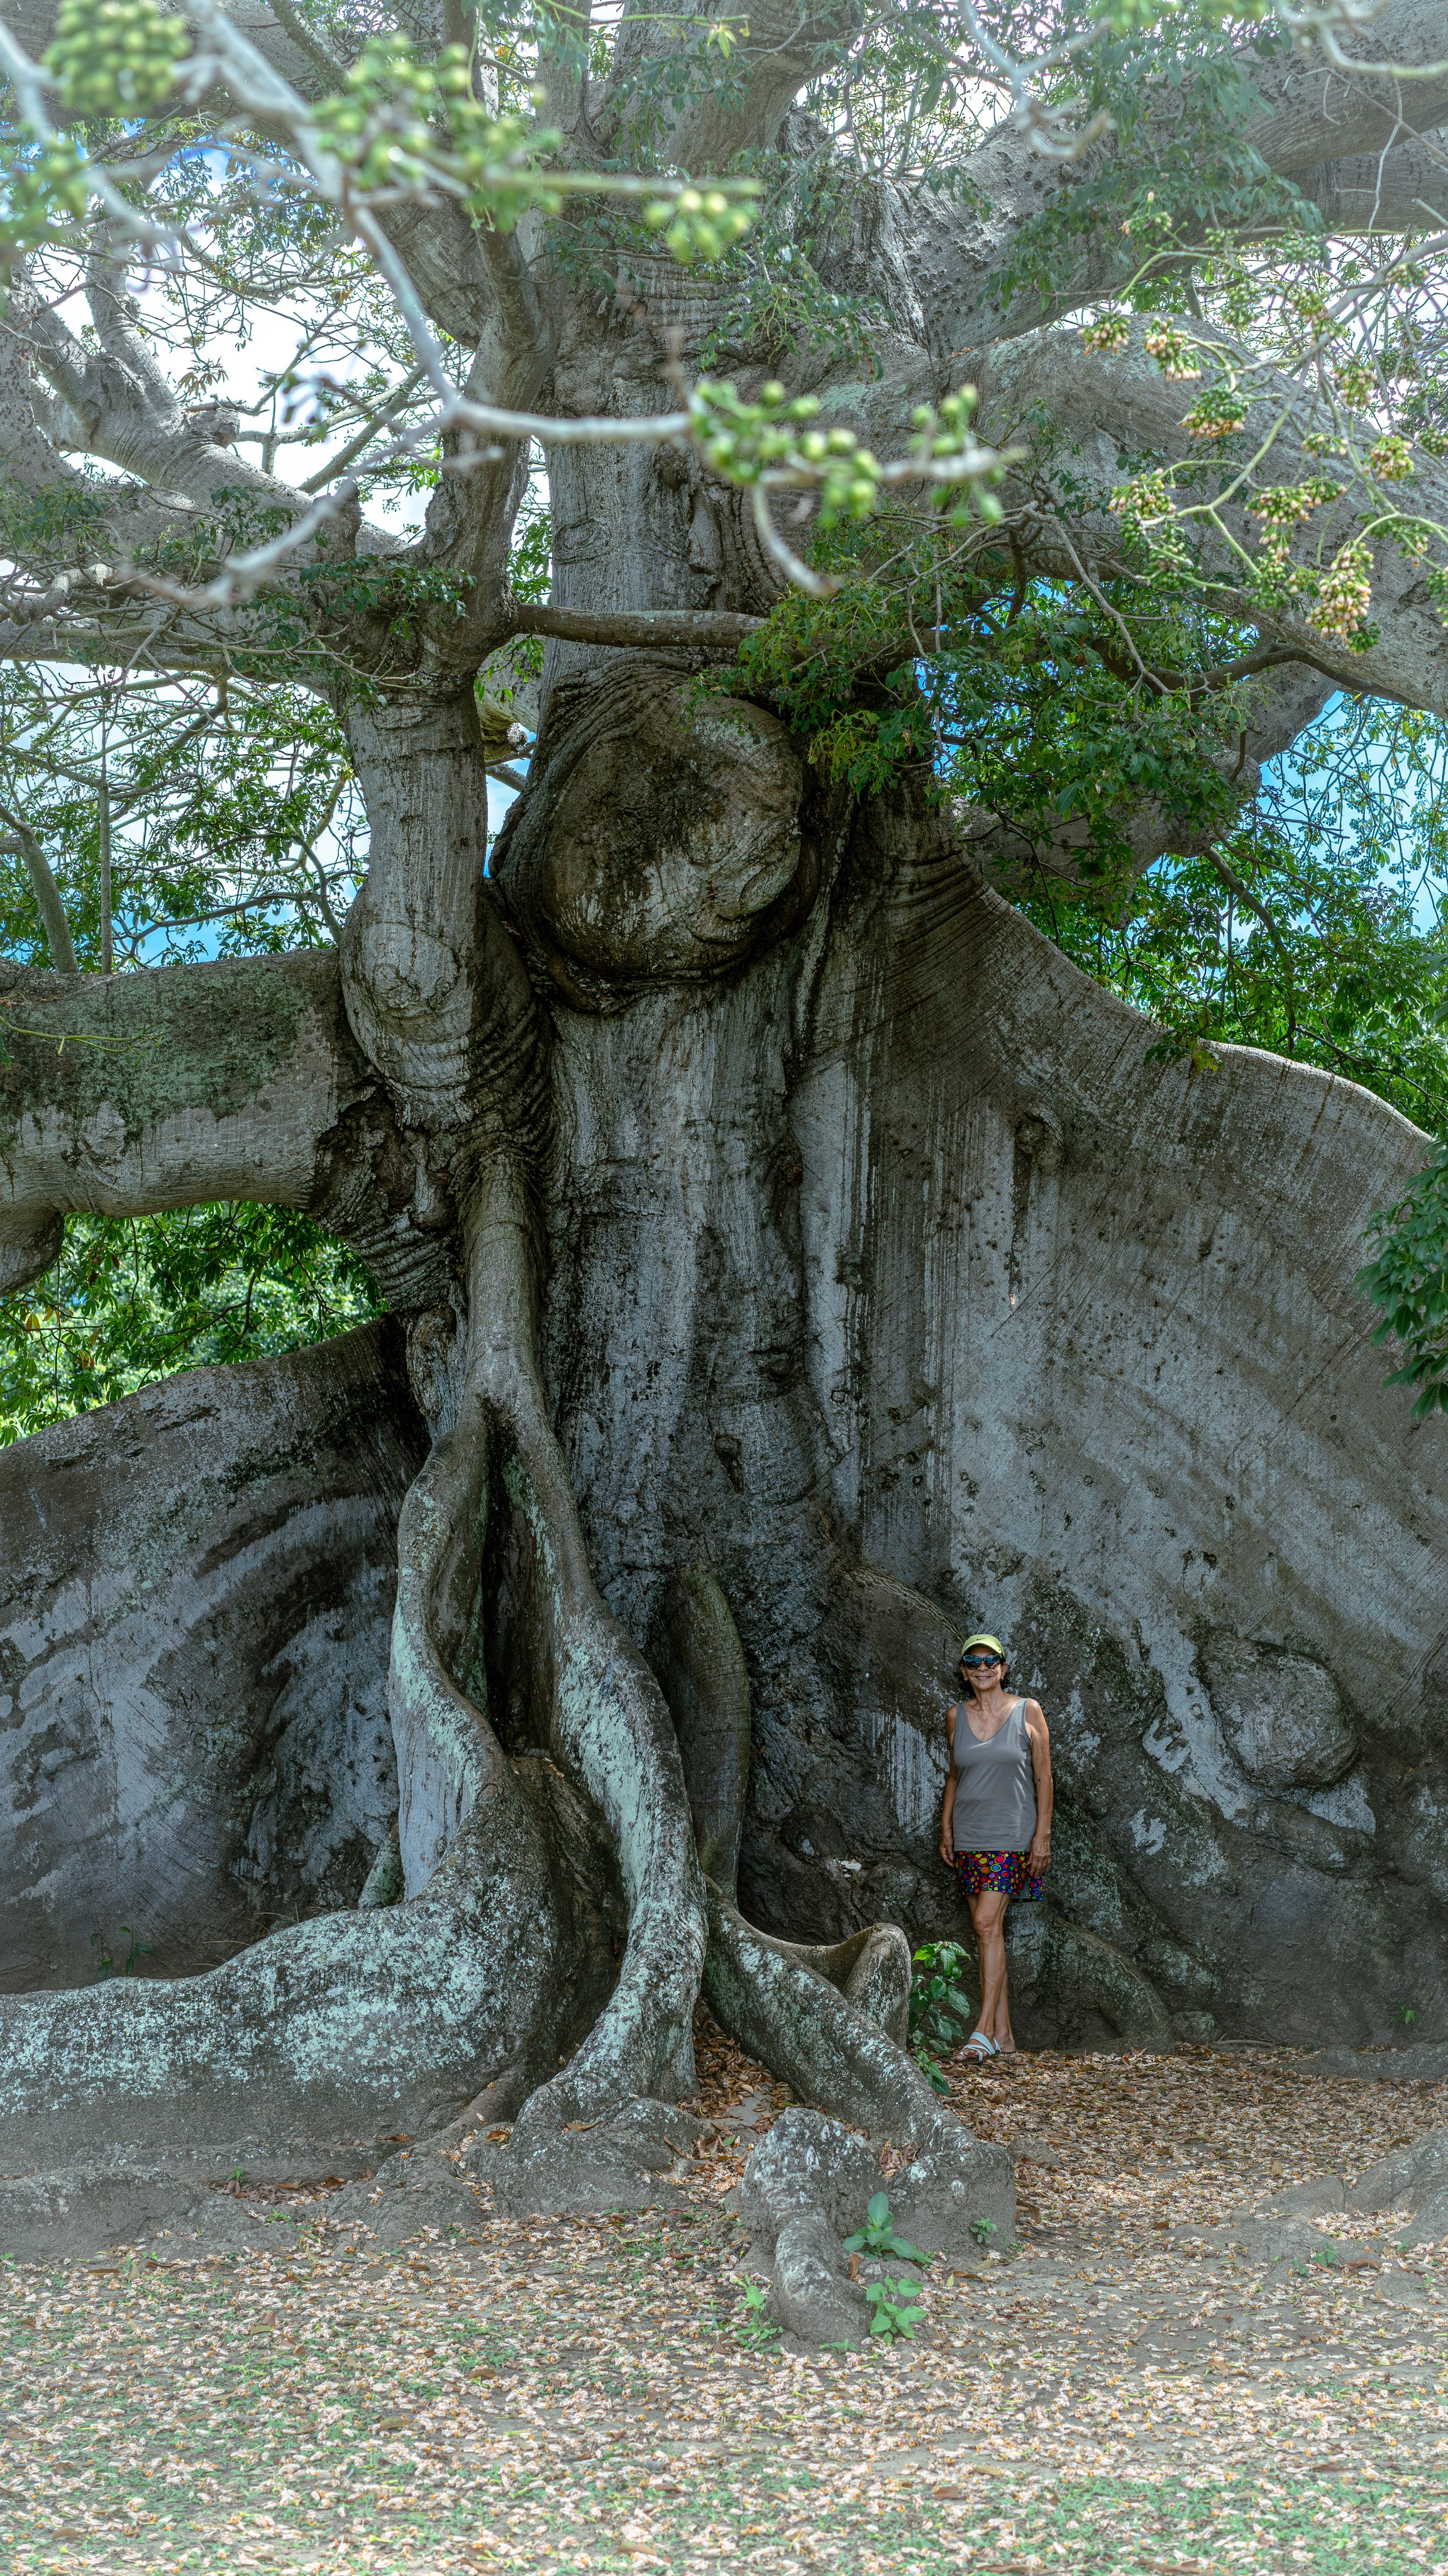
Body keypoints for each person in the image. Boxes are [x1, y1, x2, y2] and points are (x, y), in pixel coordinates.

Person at [938, 1633, 1053, 2062]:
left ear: (1003, 1668)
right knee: (988, 1933)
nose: (982, 1668)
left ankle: (982, 2032)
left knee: (986, 1923)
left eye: (991, 1660)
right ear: (964, 1671)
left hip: (1011, 1836)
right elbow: (955, 1776)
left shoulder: (1028, 1711)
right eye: (973, 1661)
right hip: (969, 1835)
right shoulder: (955, 1716)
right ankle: (1004, 2037)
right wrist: (946, 1829)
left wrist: (1041, 1837)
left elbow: (1044, 1777)